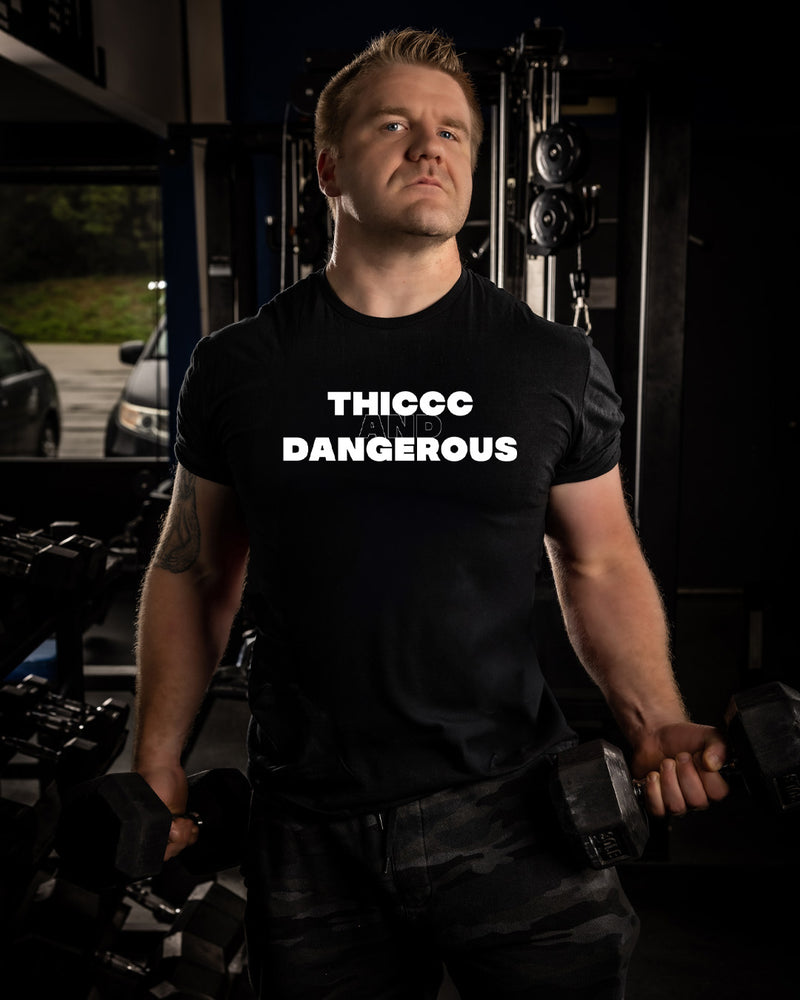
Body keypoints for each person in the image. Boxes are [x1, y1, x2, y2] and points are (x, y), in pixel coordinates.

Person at [133, 27, 729, 1000]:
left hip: (511, 809)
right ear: (327, 165)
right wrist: (154, 760)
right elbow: (194, 568)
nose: (431, 146)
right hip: (309, 823)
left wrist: (656, 717)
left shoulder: (547, 364)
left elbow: (598, 564)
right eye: (395, 123)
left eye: (454, 130)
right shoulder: (240, 368)